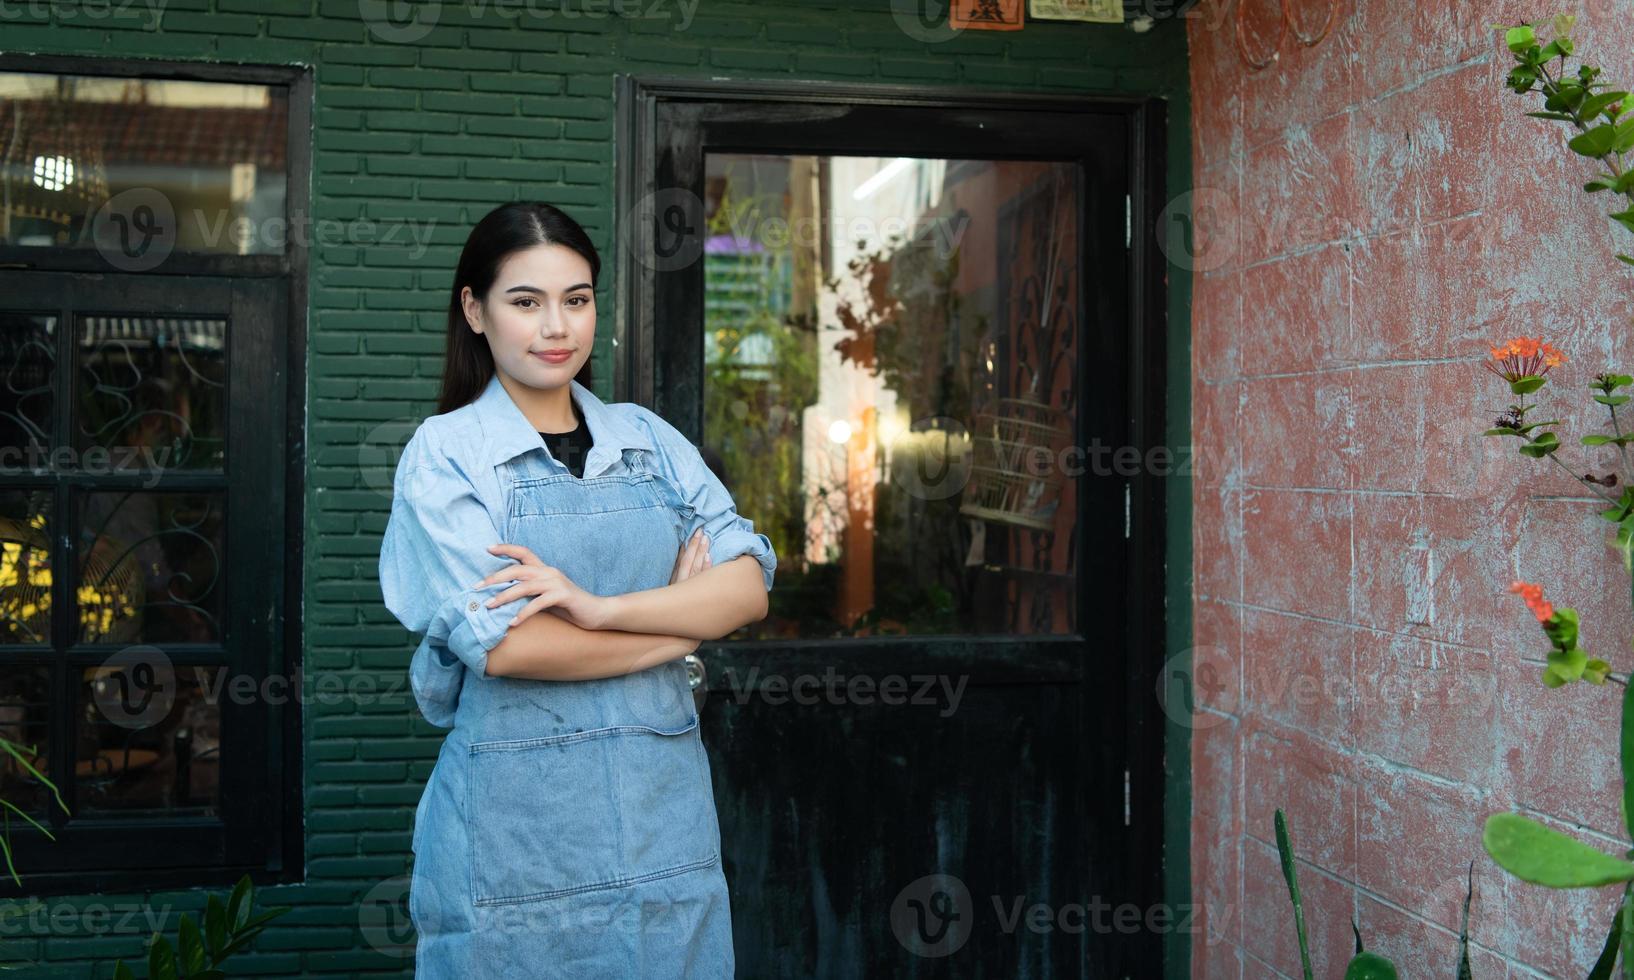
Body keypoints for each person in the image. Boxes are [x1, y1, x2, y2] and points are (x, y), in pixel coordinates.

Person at [378, 201, 776, 978]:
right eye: (526, 302)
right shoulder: (447, 454)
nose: (556, 326)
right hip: (515, 839)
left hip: (664, 827)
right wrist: (680, 632)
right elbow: (512, 644)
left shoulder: (649, 440)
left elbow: (746, 586)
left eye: (577, 299)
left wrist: (600, 610)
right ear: (475, 311)